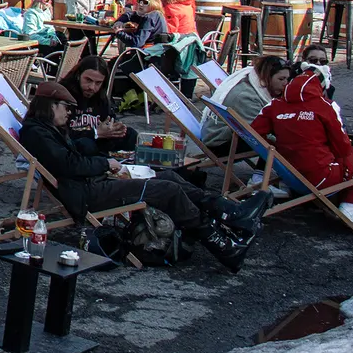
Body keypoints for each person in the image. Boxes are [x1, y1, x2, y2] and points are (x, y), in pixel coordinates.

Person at [16, 82, 263, 271]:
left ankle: (229, 212)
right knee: (167, 190)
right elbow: (68, 164)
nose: (69, 113)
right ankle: (220, 241)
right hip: (86, 193)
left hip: (91, 183)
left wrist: (101, 141)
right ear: (50, 105)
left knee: (170, 177)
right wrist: (106, 163)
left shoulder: (49, 130)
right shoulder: (35, 132)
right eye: (65, 108)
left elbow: (75, 153)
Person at [249, 69, 353, 230]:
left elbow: (253, 134)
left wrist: (277, 144)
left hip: (288, 176)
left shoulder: (274, 105)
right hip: (321, 179)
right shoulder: (324, 106)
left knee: (333, 156)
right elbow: (343, 149)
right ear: (320, 87)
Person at [202, 55, 291, 158]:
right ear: (267, 77)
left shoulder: (253, 84)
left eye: (287, 79)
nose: (286, 83)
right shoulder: (246, 96)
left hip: (227, 135)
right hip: (218, 144)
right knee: (276, 143)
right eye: (281, 79)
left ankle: (261, 172)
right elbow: (258, 132)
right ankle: (261, 173)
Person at [60, 56, 137, 149]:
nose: (92, 87)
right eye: (88, 80)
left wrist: (115, 128)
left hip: (100, 140)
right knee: (86, 144)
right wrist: (95, 133)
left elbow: (109, 118)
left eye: (98, 83)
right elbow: (59, 134)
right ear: (78, 75)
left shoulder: (100, 96)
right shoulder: (63, 94)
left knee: (131, 134)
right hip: (74, 144)